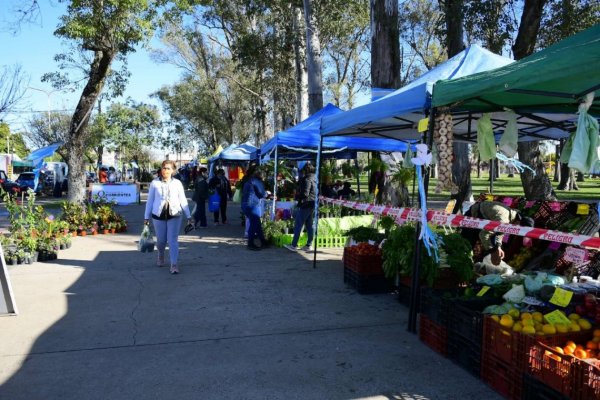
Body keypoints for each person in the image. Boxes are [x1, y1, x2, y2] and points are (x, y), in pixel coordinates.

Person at [144, 160, 193, 275]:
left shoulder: (177, 183)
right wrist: (146, 217)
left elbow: (183, 200)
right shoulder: (155, 183)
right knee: (161, 241)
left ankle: (174, 264)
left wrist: (189, 216)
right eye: (164, 168)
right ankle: (161, 254)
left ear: (173, 171)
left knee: (172, 241)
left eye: (168, 168)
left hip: (175, 215)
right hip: (158, 215)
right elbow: (150, 201)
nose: (165, 170)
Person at [462, 200, 535, 266]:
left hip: (482, 218)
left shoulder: (512, 216)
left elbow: (500, 232)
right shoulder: (503, 220)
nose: (517, 233)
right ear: (518, 223)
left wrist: (498, 247)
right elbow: (483, 234)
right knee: (466, 244)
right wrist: (492, 251)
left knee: (473, 244)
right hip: (472, 217)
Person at [284, 163, 316, 252]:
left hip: (305, 204)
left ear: (305, 170)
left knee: (298, 224)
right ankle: (309, 244)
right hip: (312, 204)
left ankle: (294, 245)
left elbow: (305, 193)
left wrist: (298, 196)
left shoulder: (307, 179)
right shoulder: (315, 177)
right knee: (309, 225)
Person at [241, 169, 269, 251]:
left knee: (257, 224)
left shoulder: (248, 181)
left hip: (245, 204)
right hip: (252, 205)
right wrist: (268, 193)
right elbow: (261, 194)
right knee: (254, 224)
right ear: (262, 176)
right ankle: (250, 244)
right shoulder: (257, 182)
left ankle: (263, 241)